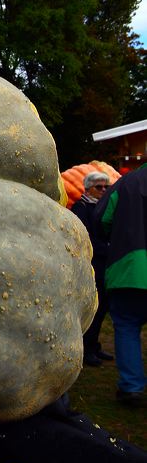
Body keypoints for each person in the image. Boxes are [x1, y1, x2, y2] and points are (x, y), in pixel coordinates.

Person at [94, 165, 147, 407]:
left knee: (127, 325)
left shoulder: (127, 182)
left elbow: (102, 218)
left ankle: (131, 388)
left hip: (129, 267)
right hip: (129, 267)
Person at [70, 171, 113, 367]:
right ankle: (86, 349)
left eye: (106, 187)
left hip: (105, 263)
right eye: (99, 187)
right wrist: (107, 248)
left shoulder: (104, 207)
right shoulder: (81, 208)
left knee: (102, 305)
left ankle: (94, 345)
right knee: (92, 308)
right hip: (91, 264)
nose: (103, 190)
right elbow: (85, 238)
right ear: (87, 188)